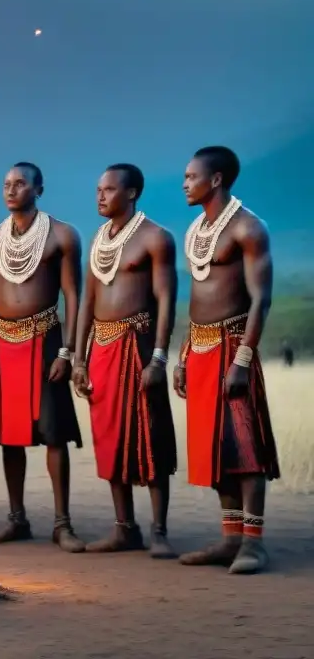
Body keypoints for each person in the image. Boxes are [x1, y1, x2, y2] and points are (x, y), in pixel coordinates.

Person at [174, 146, 279, 574]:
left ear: (215, 179)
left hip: (233, 345)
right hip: (198, 347)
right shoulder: (198, 229)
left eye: (191, 176)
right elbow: (198, 298)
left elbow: (261, 299)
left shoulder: (248, 228)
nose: (185, 183)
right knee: (213, 447)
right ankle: (230, 538)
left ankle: (253, 543)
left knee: (243, 444)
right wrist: (183, 353)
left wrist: (242, 359)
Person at [0, 162, 86, 552]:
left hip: (46, 339)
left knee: (54, 435)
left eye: (20, 184)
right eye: (6, 184)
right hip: (3, 344)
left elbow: (73, 296)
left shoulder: (62, 236)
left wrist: (68, 352)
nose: (11, 190)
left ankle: (62, 523)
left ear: (39, 189)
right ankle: (17, 519)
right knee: (10, 437)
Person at [71, 164, 178, 557]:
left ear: (131, 193)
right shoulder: (100, 238)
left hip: (139, 344)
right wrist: (79, 360)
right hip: (102, 347)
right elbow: (87, 303)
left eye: (109, 190)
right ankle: (124, 528)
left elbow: (166, 299)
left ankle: (160, 531)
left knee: (151, 433)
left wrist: (159, 358)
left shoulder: (156, 238)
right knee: (110, 436)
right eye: (98, 189)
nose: (100, 196)